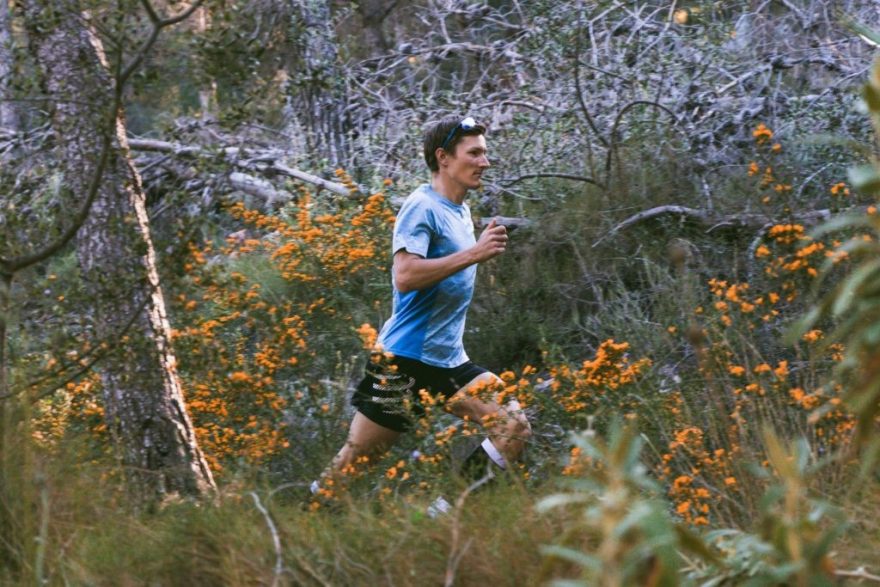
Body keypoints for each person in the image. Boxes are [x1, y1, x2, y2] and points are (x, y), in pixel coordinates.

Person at [312, 114, 531, 502]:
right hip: (405, 362)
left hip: (447, 362)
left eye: (485, 153)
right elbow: (406, 275)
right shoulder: (421, 207)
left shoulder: (459, 210)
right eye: (475, 153)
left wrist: (473, 252)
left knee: (513, 427)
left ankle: (445, 518)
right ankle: (306, 519)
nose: (485, 162)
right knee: (356, 462)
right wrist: (475, 253)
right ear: (443, 157)